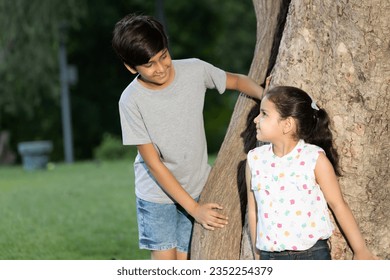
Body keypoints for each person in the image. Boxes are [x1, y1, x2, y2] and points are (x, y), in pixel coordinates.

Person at [112, 13, 265, 260]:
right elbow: (153, 163)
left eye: (163, 57)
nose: (160, 68)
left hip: (195, 185)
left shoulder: (194, 69)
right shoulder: (130, 101)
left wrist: (266, 96)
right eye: (149, 64)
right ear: (131, 67)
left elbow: (236, 80)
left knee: (186, 261)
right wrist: (194, 210)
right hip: (156, 193)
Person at [246, 86, 378, 260]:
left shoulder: (314, 158)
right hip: (270, 257)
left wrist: (361, 250)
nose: (256, 120)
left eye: (264, 114)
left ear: (287, 124)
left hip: (312, 255)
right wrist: (258, 257)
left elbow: (338, 204)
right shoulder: (254, 160)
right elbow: (253, 210)